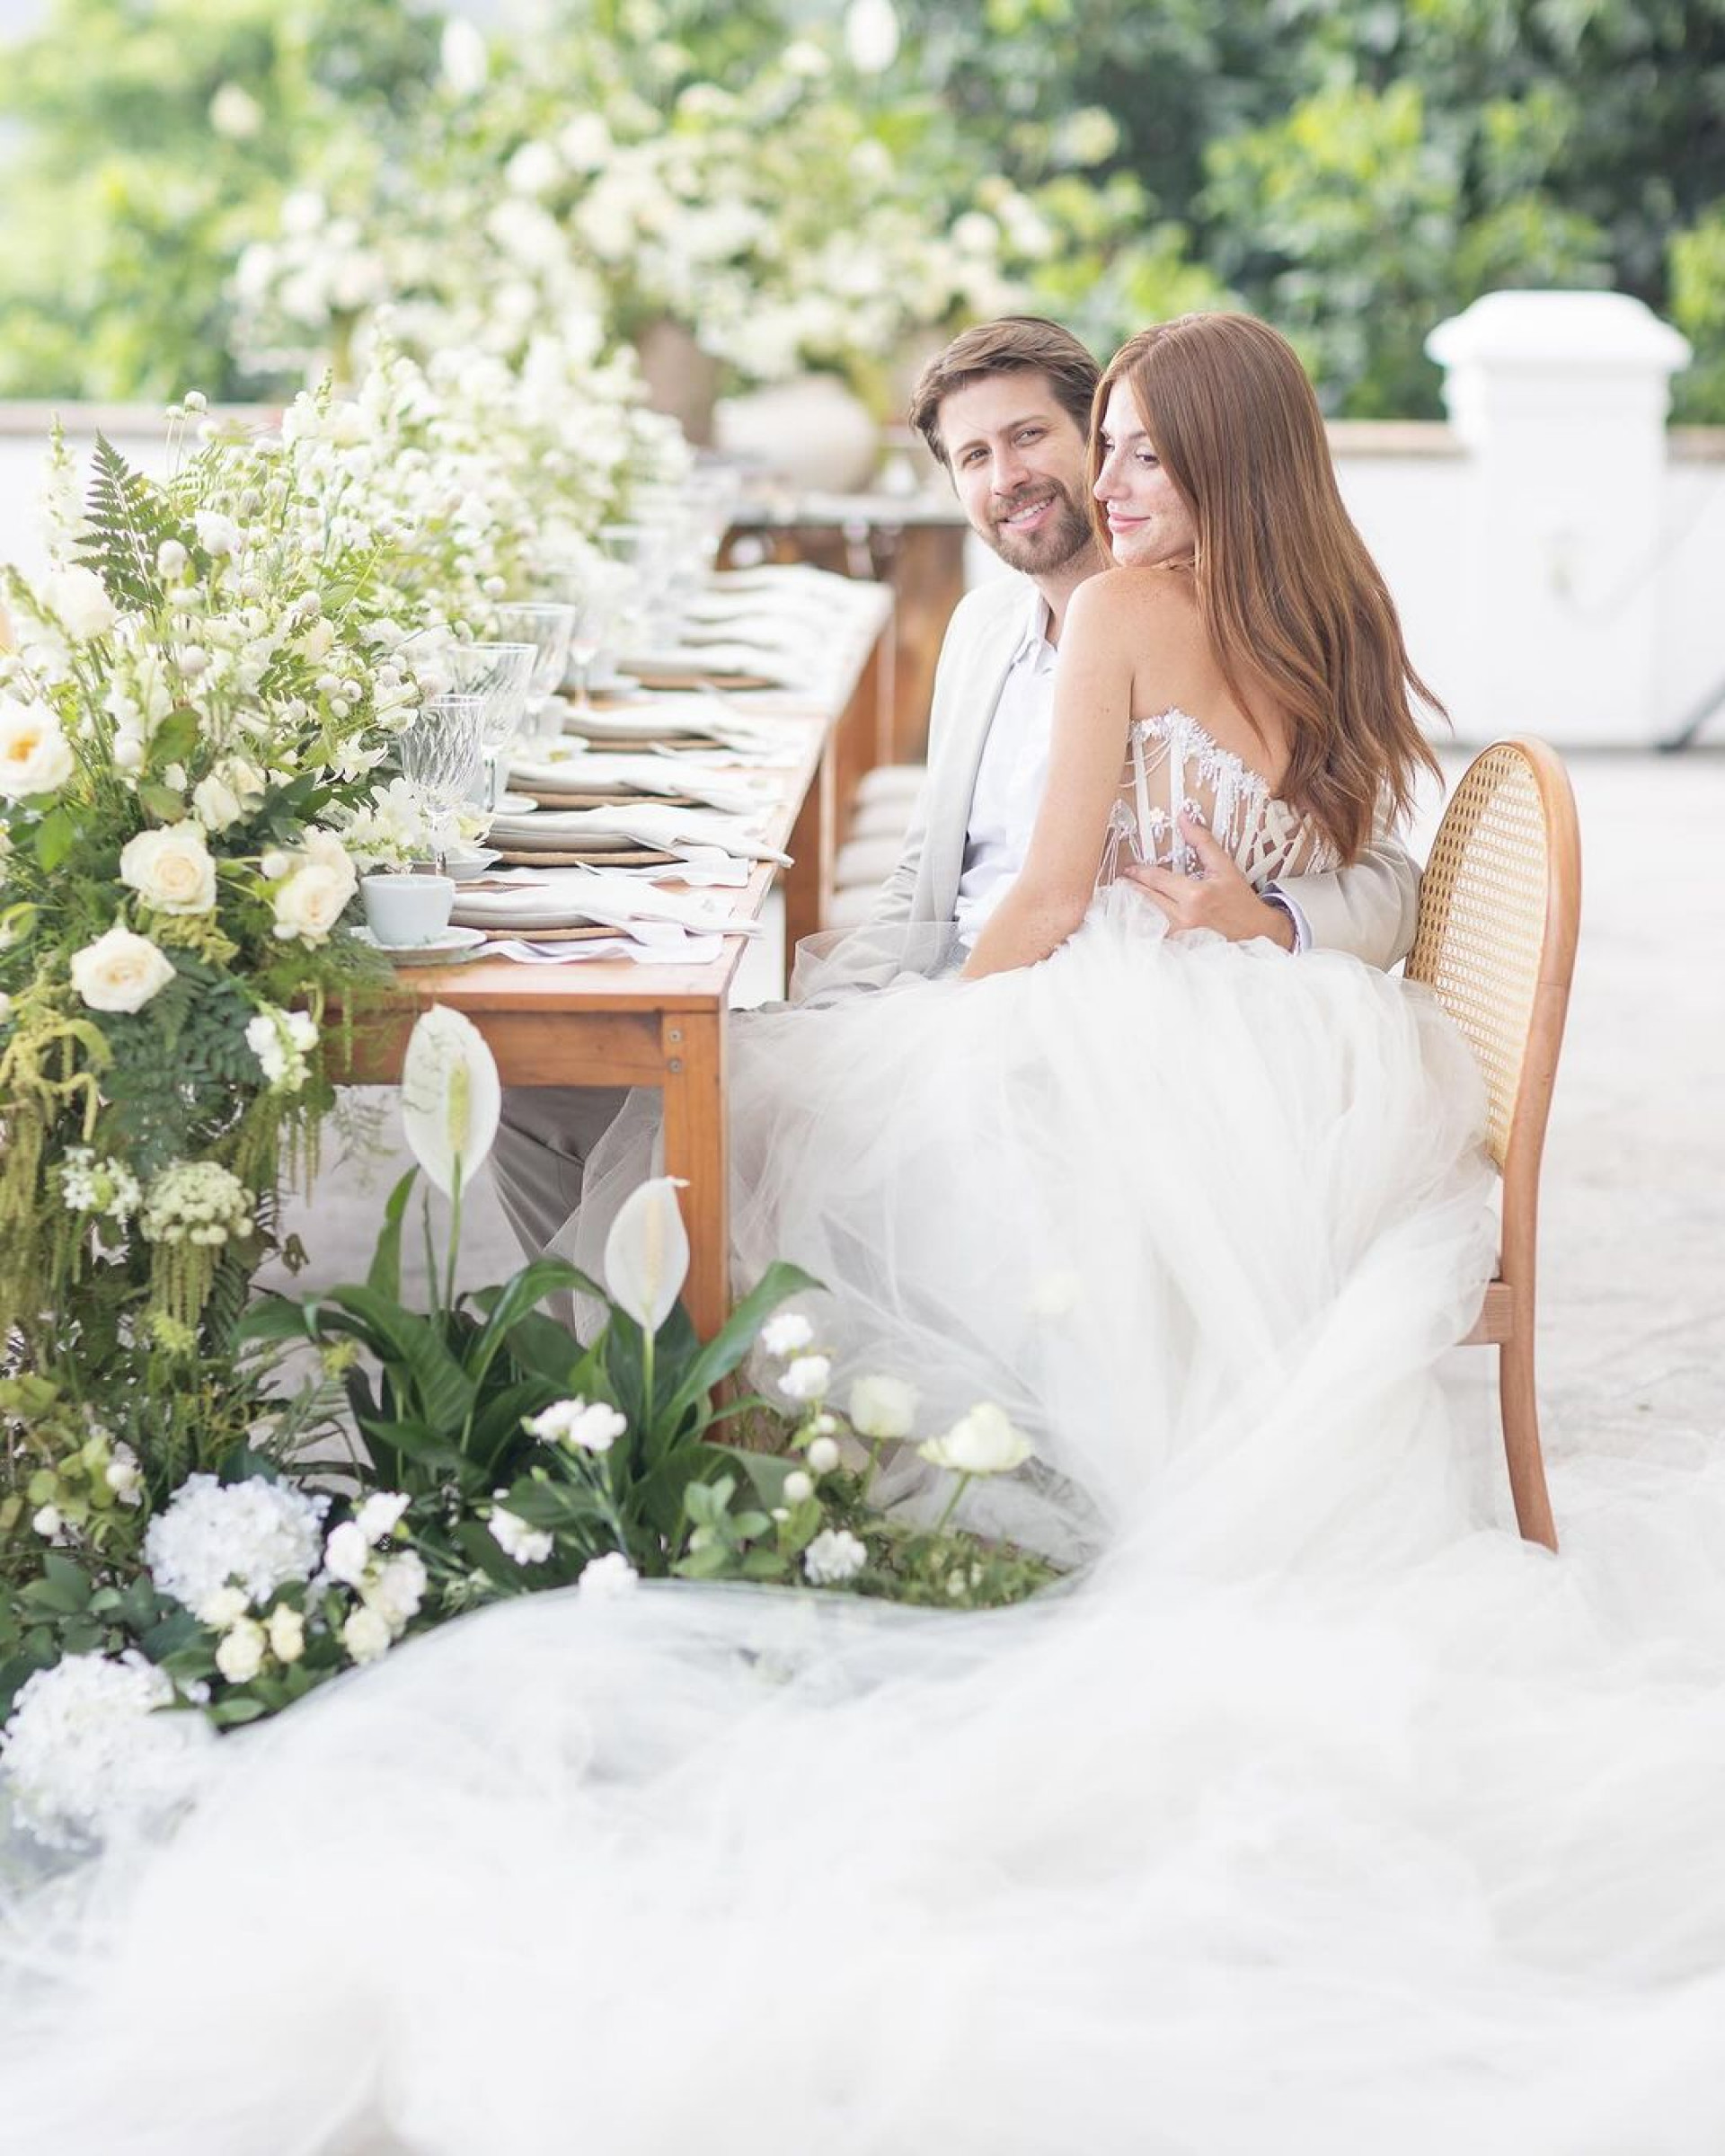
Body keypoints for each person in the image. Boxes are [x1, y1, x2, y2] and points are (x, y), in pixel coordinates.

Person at [12, 319, 1725, 2155]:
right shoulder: (1317, 603)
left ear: (1192, 456)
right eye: (1090, 455)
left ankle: (642, 1449)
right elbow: (1178, 842)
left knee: (752, 1122)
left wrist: (947, 1025)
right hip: (1277, 1061)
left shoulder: (1132, 609)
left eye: (1125, 452)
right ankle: (676, 1430)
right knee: (770, 1108)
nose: (1100, 487)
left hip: (1141, 1012)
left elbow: (1066, 899)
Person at [490, 315, 1420, 1261]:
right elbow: (922, 884)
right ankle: (629, 1396)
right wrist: (843, 1019)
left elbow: (1386, 878)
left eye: (1029, 437)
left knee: (593, 1119)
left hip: (1064, 1057)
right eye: (972, 456)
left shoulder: (1226, 620)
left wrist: (1264, 923)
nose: (1009, 476)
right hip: (965, 1003)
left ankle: (659, 1395)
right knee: (544, 1095)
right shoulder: (983, 634)